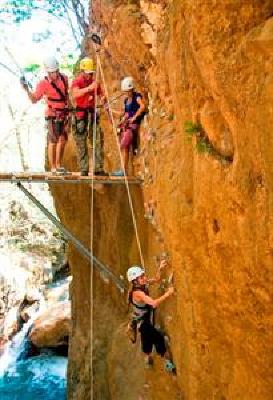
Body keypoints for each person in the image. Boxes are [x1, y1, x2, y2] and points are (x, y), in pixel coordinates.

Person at [21, 55, 70, 175]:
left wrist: (69, 109)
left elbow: (66, 94)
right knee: (53, 140)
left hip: (63, 113)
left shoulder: (64, 78)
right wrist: (26, 89)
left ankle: (58, 165)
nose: (54, 74)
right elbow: (34, 99)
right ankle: (53, 167)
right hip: (52, 114)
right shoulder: (43, 84)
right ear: (47, 72)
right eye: (51, 72)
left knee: (62, 139)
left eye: (56, 71)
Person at [127, 262, 176, 373]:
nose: (145, 278)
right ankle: (168, 363)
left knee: (146, 342)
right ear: (135, 281)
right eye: (141, 277)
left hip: (144, 320)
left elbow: (157, 279)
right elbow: (153, 303)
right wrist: (168, 294)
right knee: (159, 339)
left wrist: (160, 268)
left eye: (143, 276)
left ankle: (147, 358)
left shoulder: (142, 285)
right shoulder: (138, 293)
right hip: (144, 323)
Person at [71, 57, 107, 176]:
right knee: (81, 142)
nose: (90, 75)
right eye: (88, 73)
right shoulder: (77, 81)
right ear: (82, 72)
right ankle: (84, 169)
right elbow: (75, 94)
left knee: (97, 139)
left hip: (92, 113)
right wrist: (89, 89)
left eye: (91, 73)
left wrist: (103, 98)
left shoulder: (94, 81)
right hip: (81, 115)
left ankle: (98, 168)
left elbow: (102, 94)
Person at [112, 76, 146, 176]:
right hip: (128, 125)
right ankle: (123, 171)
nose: (127, 93)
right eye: (125, 91)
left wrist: (135, 117)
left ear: (131, 89)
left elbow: (142, 106)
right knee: (125, 148)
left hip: (133, 125)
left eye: (128, 91)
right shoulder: (126, 100)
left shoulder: (137, 96)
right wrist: (122, 121)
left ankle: (123, 170)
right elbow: (126, 114)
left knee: (123, 145)